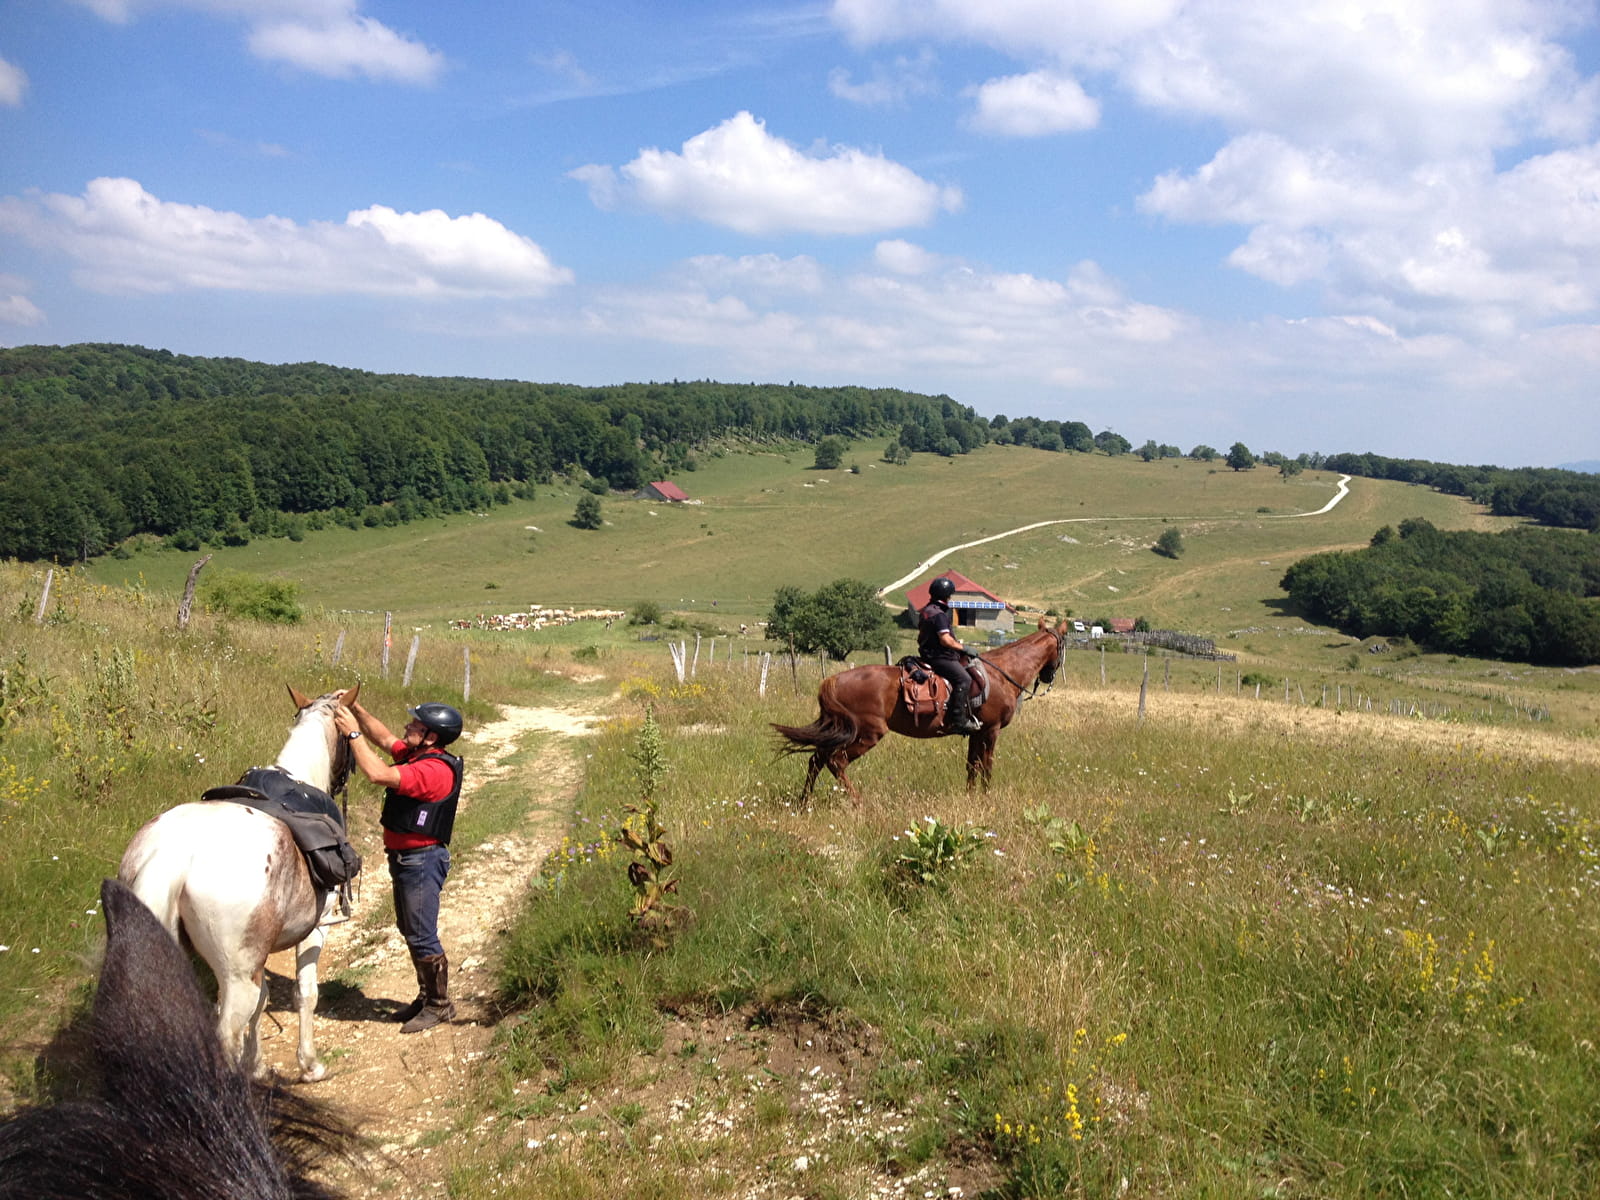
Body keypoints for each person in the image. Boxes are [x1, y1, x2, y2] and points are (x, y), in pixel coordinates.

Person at [334, 697, 464, 1033]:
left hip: (421, 862)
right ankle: (426, 996)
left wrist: (352, 734)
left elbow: (377, 773)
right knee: (410, 929)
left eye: (415, 725)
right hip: (407, 859)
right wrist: (357, 709)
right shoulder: (418, 754)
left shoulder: (433, 770)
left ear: (431, 737)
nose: (407, 727)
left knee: (422, 935)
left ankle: (439, 1005)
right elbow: (383, 738)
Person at [917, 576, 983, 734]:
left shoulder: (926, 610)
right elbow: (945, 640)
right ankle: (958, 720)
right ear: (946, 596)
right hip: (940, 657)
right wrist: (964, 648)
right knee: (964, 679)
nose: (950, 598)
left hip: (927, 654)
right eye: (950, 595)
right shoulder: (939, 614)